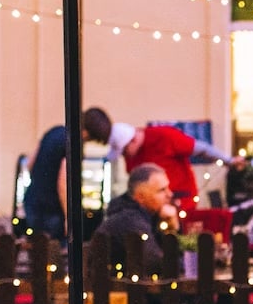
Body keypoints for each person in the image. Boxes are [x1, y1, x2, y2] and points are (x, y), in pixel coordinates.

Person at [107, 122, 235, 216]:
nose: (124, 156)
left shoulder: (163, 136)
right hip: (150, 211)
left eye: (124, 151)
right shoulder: (132, 156)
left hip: (181, 206)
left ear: (133, 140)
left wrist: (229, 161)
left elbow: (202, 149)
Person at [24, 106, 112, 240]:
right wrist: (69, 216)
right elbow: (64, 182)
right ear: (88, 133)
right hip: (53, 209)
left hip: (32, 201)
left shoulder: (54, 131)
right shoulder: (74, 144)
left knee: (38, 250)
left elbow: (30, 162)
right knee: (58, 254)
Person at [93, 163, 176, 276]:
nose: (169, 194)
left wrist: (171, 228)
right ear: (140, 196)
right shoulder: (129, 220)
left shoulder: (151, 217)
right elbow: (154, 263)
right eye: (162, 190)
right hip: (116, 290)